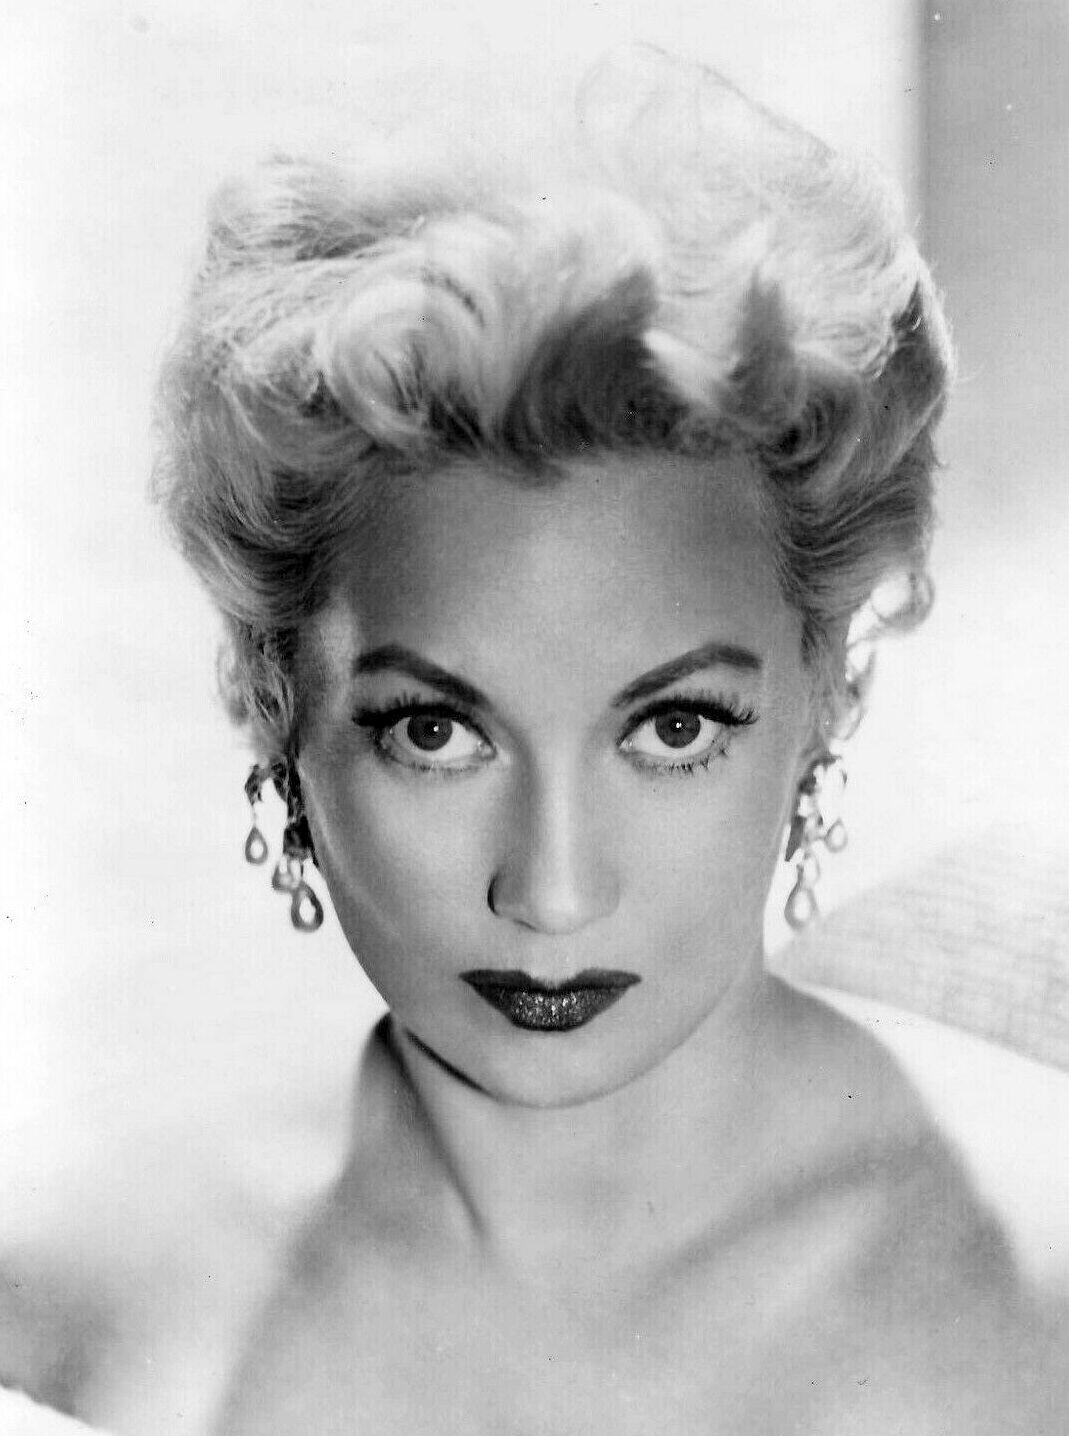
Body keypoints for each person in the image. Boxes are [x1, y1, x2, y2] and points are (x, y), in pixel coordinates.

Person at [4, 48, 1064, 1436]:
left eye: (673, 728)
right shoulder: (71, 1307)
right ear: (275, 701)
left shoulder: (1041, 1291)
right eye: (436, 732)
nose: (552, 893)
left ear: (826, 692)